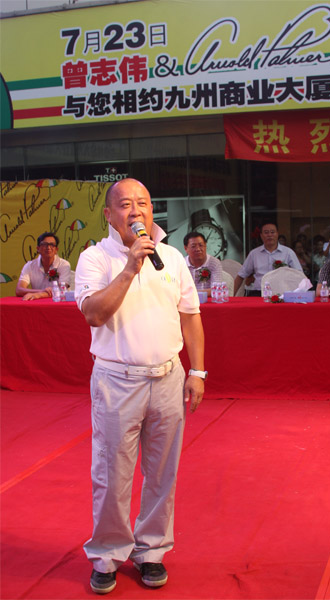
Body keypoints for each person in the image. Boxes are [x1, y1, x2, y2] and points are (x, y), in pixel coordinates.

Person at [74, 178, 206, 594]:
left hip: (168, 378)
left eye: (144, 203)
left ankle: (151, 551)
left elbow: (190, 315)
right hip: (116, 382)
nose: (136, 211)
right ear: (109, 215)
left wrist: (198, 371)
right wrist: (131, 266)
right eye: (126, 204)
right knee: (112, 475)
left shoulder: (172, 257)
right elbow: (94, 314)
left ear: (152, 211)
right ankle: (107, 555)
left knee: (163, 474)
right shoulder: (95, 258)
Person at [233, 222, 302, 296]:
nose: (269, 235)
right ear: (261, 235)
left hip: (282, 293)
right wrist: (231, 295)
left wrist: (300, 295)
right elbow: (241, 275)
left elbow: (299, 275)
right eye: (266, 232)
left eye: (272, 232)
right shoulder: (254, 254)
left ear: (277, 234)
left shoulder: (288, 252)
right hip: (258, 293)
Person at [15, 231, 71, 300]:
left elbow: (62, 290)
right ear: (38, 248)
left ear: (56, 250)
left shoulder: (64, 265)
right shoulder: (29, 266)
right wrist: (41, 291)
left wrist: (40, 295)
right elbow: (19, 290)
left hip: (58, 302)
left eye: (52, 245)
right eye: (45, 244)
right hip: (37, 302)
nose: (48, 247)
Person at [183, 231, 223, 296]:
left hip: (209, 300)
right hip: (187, 301)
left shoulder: (214, 263)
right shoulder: (182, 264)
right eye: (193, 246)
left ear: (205, 246)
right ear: (186, 248)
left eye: (201, 245)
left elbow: (217, 289)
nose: (198, 249)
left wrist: (193, 293)